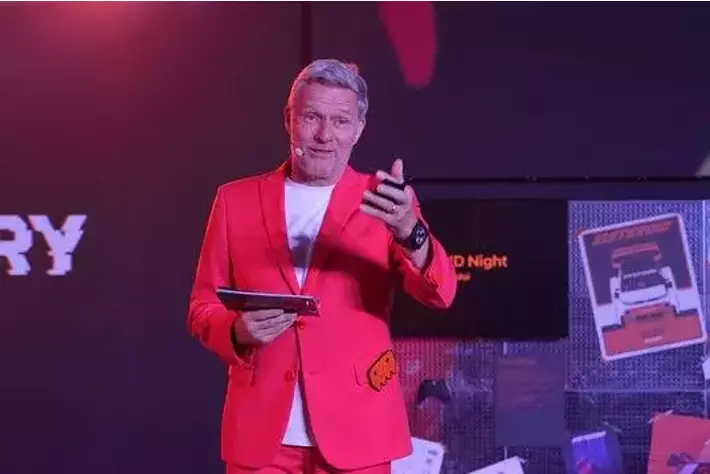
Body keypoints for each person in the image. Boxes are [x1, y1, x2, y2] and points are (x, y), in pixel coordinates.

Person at [187, 58, 458, 474]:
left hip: (359, 432)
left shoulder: (385, 200)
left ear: (359, 129)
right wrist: (237, 331)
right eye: (311, 117)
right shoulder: (234, 200)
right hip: (261, 439)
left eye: (340, 121)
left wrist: (411, 231)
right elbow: (203, 306)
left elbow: (441, 293)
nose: (324, 135)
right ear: (289, 120)